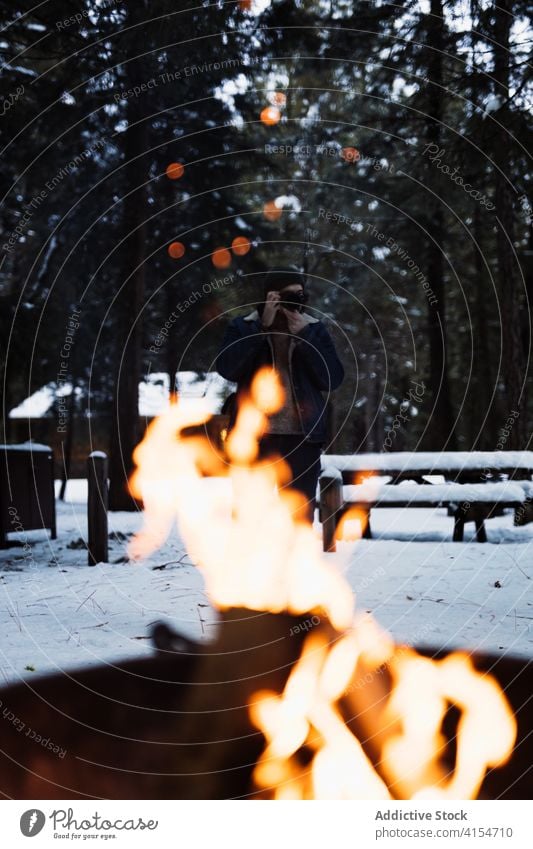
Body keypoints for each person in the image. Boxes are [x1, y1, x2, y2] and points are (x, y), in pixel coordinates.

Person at [215, 266, 344, 523]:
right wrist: (260, 329)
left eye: (301, 295)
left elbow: (332, 379)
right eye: (289, 294)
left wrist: (305, 336)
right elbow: (228, 369)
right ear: (270, 295)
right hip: (254, 438)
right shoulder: (243, 326)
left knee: (298, 518)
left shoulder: (314, 329)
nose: (296, 300)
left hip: (303, 438)